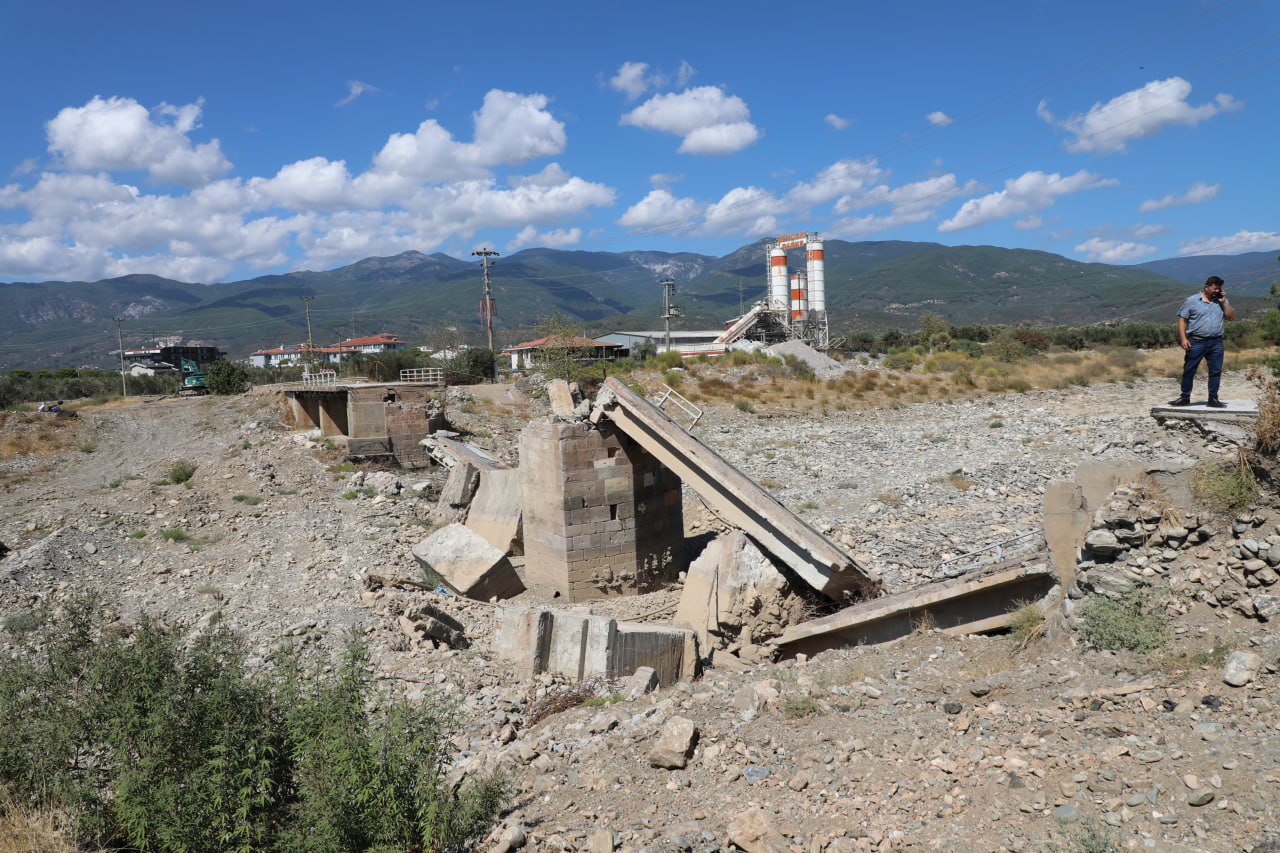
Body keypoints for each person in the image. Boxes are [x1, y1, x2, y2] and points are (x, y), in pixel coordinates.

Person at [1170, 275, 1234, 408]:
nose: (1217, 291)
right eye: (1215, 288)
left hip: (1216, 342)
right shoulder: (1192, 300)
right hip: (1197, 341)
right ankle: (1184, 397)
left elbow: (1231, 317)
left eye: (1219, 288)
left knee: (1215, 371)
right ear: (1207, 287)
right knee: (1189, 370)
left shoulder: (1221, 301)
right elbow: (1182, 319)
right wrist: (1183, 338)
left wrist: (1224, 302)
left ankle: (1213, 398)